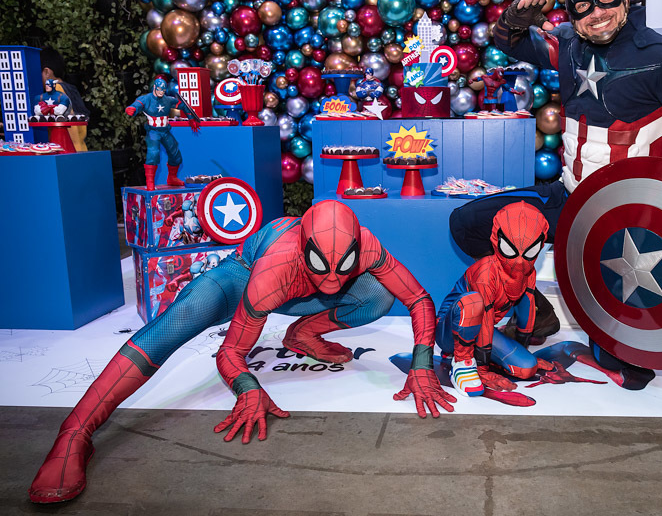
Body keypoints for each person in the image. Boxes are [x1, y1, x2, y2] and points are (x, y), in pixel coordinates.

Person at [29, 201, 454, 503]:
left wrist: (421, 367)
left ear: (357, 249)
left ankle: (301, 334)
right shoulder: (274, 270)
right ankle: (75, 430)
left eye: (343, 265)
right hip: (245, 278)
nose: (332, 279)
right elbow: (231, 353)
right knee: (177, 322)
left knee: (377, 298)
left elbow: (419, 299)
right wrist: (248, 388)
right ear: (305, 250)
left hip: (295, 290)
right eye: (322, 264)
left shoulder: (368, 247)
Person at [450, 0, 662, 389]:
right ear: (571, 11)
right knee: (469, 224)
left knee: (631, 368)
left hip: (628, 220)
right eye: (584, 7)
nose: (598, 14)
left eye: (606, 0)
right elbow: (508, 40)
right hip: (569, 198)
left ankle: (603, 329)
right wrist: (512, 17)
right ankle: (532, 305)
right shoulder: (568, 44)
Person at [437, 202, 554, 396]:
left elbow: (526, 309)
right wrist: (482, 371)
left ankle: (476, 356)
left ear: (540, 245)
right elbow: (484, 316)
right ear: (495, 239)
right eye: (510, 249)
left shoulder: (529, 273)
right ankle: (462, 361)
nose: (518, 261)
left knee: (526, 368)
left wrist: (522, 349)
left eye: (529, 252)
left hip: (483, 328)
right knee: (473, 302)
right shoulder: (485, 272)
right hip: (448, 331)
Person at [125, 78, 201, 191]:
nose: (161, 92)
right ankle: (150, 182)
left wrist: (191, 119)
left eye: (163, 90)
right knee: (153, 154)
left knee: (175, 154)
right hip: (153, 132)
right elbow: (137, 105)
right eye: (160, 90)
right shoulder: (146, 99)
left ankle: (172, 178)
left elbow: (183, 105)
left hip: (165, 131)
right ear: (155, 88)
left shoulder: (167, 100)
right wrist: (131, 109)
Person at [39, 47, 90, 151]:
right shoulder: (71, 89)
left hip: (67, 151)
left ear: (46, 72)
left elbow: (67, 128)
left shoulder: (55, 91)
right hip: (81, 149)